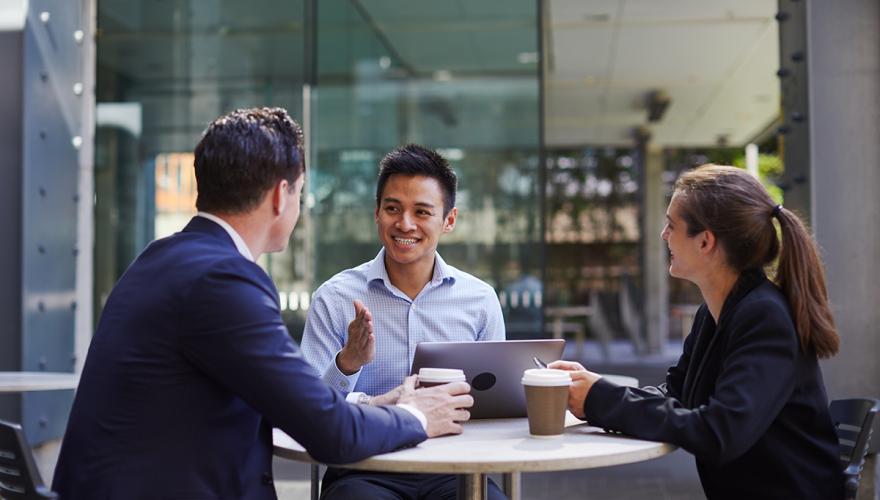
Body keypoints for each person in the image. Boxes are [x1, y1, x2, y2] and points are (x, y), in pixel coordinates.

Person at [52, 108, 473, 500]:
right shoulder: (224, 281)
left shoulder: (160, 258)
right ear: (280, 195)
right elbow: (328, 432)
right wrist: (418, 416)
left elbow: (295, 404)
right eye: (301, 194)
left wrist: (385, 401)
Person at [551, 164, 844, 499]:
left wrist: (602, 398)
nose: (664, 235)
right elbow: (676, 394)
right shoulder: (716, 311)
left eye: (671, 226)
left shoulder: (765, 316)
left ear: (705, 241)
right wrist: (593, 389)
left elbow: (720, 434)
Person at [300, 144, 506, 499]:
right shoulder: (335, 299)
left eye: (422, 211)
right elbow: (306, 410)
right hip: (364, 468)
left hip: (455, 469)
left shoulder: (480, 301)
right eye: (392, 208)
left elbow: (498, 405)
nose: (404, 224)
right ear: (376, 213)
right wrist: (346, 364)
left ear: (449, 220)